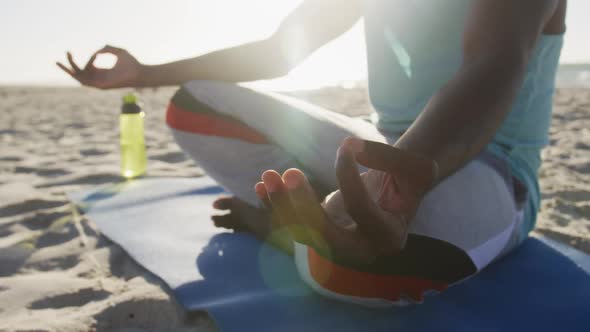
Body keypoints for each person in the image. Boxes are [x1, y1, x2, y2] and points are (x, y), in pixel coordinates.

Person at [58, 0, 567, 306]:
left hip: (486, 164)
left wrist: (404, 179)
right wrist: (144, 73)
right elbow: (279, 51)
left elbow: (495, 62)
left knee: (364, 268)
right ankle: (327, 216)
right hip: (373, 140)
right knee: (194, 103)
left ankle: (292, 227)